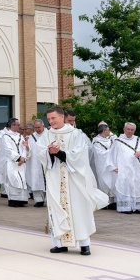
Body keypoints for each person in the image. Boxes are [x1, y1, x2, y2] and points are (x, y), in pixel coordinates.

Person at [33, 106, 108, 256]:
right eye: (49, 119)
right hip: (55, 178)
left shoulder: (75, 133)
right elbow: (39, 151)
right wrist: (48, 152)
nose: (51, 121)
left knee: (78, 209)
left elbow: (81, 153)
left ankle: (84, 244)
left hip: (74, 179)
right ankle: (60, 243)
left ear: (62, 117)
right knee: (57, 208)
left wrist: (60, 153)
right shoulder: (47, 135)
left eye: (53, 118)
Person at [107, 122, 140, 215]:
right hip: (124, 168)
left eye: (132, 130)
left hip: (137, 168)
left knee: (136, 187)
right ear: (124, 130)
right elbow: (111, 154)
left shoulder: (138, 140)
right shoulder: (118, 141)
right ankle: (125, 207)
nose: (130, 131)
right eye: (128, 129)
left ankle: (135, 207)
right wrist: (112, 167)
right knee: (125, 186)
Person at [0, 118, 29, 207]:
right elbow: (8, 150)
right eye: (17, 125)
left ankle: (21, 200)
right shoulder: (6, 136)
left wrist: (23, 157)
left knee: (22, 180)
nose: (19, 126)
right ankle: (13, 200)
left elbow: (24, 147)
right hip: (11, 162)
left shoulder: (20, 136)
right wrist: (18, 158)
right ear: (12, 125)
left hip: (20, 163)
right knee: (13, 180)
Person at [91, 122, 117, 210]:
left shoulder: (110, 139)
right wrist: (111, 148)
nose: (109, 131)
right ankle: (105, 202)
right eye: (108, 130)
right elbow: (100, 154)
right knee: (104, 182)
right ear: (104, 131)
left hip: (111, 165)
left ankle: (113, 202)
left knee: (112, 182)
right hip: (102, 166)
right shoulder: (96, 141)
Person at [25, 119, 47, 206]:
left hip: (46, 162)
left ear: (43, 126)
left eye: (39, 127)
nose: (37, 129)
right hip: (35, 163)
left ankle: (47, 199)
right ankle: (38, 200)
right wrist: (27, 148)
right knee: (36, 180)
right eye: (36, 127)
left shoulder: (48, 135)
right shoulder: (31, 137)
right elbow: (29, 150)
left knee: (47, 181)